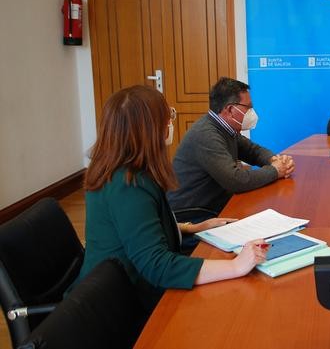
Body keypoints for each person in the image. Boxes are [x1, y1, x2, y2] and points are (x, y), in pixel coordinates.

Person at [75, 85, 268, 311]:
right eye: (167, 117)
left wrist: (193, 227)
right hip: (116, 304)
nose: (170, 124)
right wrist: (236, 266)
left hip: (125, 285)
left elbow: (141, 227)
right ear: (148, 129)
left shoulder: (125, 170)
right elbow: (158, 266)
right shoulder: (128, 184)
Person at [168, 78, 295, 221]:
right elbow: (236, 180)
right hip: (191, 215)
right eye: (248, 107)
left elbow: (252, 150)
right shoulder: (206, 134)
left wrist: (275, 160)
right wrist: (276, 170)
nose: (252, 112)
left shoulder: (225, 128)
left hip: (212, 207)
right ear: (229, 110)